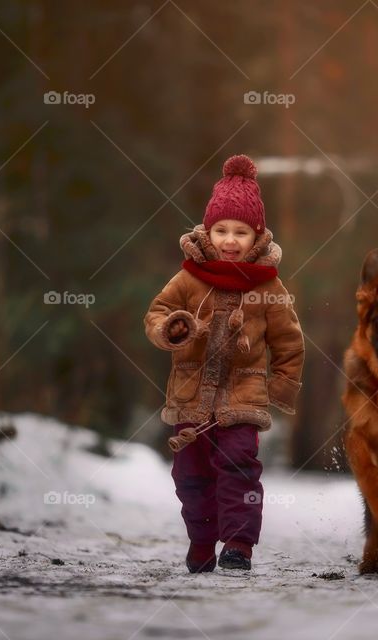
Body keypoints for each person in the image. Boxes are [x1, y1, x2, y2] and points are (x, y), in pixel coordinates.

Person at [143, 154, 305, 572]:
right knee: (190, 478)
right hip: (190, 399)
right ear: (208, 231)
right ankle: (201, 543)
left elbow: (289, 340)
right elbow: (156, 314)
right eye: (221, 230)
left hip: (243, 400)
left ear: (256, 236)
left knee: (239, 471)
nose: (230, 240)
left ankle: (238, 544)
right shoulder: (188, 278)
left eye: (240, 232)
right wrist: (172, 329)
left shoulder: (269, 287)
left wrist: (282, 386)